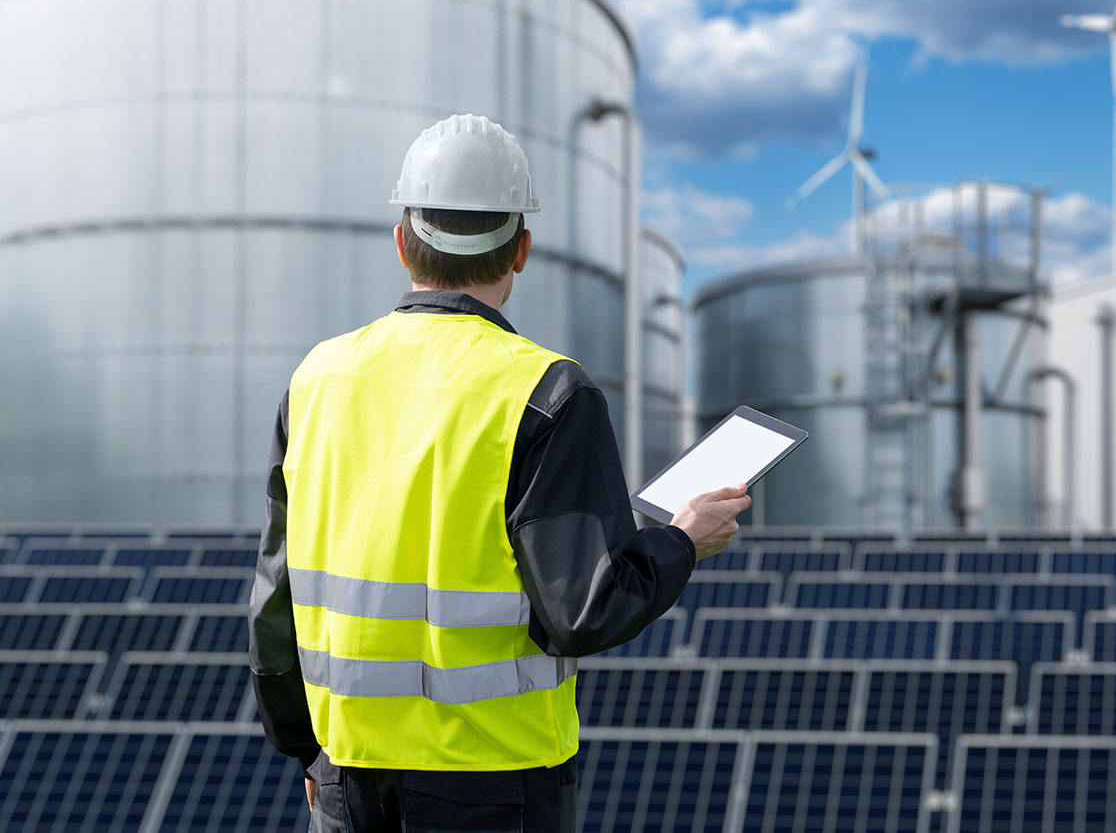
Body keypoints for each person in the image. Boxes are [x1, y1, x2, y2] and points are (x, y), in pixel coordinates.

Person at [248, 113, 750, 832]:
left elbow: (275, 593)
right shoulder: (547, 392)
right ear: (521, 250)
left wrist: (307, 750)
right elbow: (586, 609)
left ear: (402, 243)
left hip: (344, 778)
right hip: (495, 786)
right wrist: (682, 539)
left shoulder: (316, 378)